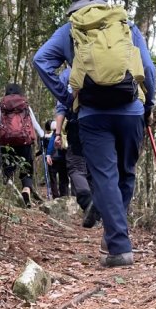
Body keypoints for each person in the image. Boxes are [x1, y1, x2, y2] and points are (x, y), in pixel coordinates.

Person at [34, 0, 156, 267]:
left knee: (104, 176)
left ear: (77, 2)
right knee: (126, 173)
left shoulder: (71, 30)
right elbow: (148, 69)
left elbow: (41, 61)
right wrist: (148, 104)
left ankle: (119, 245)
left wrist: (67, 95)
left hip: (91, 114)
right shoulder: (125, 25)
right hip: (131, 110)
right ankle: (115, 233)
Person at [53, 68, 99, 227]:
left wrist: (57, 134)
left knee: (76, 167)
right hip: (103, 125)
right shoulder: (102, 64)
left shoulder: (69, 73)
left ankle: (87, 202)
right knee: (95, 168)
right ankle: (98, 213)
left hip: (78, 123)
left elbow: (61, 106)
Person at [0, 84, 44, 206]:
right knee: (27, 168)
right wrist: (42, 135)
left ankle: (9, 197)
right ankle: (26, 191)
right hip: (24, 142)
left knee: (8, 169)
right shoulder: (25, 105)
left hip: (6, 142)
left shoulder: (1, 105)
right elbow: (34, 123)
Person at [43, 119, 69, 198]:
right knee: (63, 178)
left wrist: (48, 155)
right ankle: (64, 195)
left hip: (53, 159)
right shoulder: (63, 131)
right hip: (62, 158)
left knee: (53, 179)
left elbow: (51, 143)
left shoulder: (55, 133)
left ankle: (56, 196)